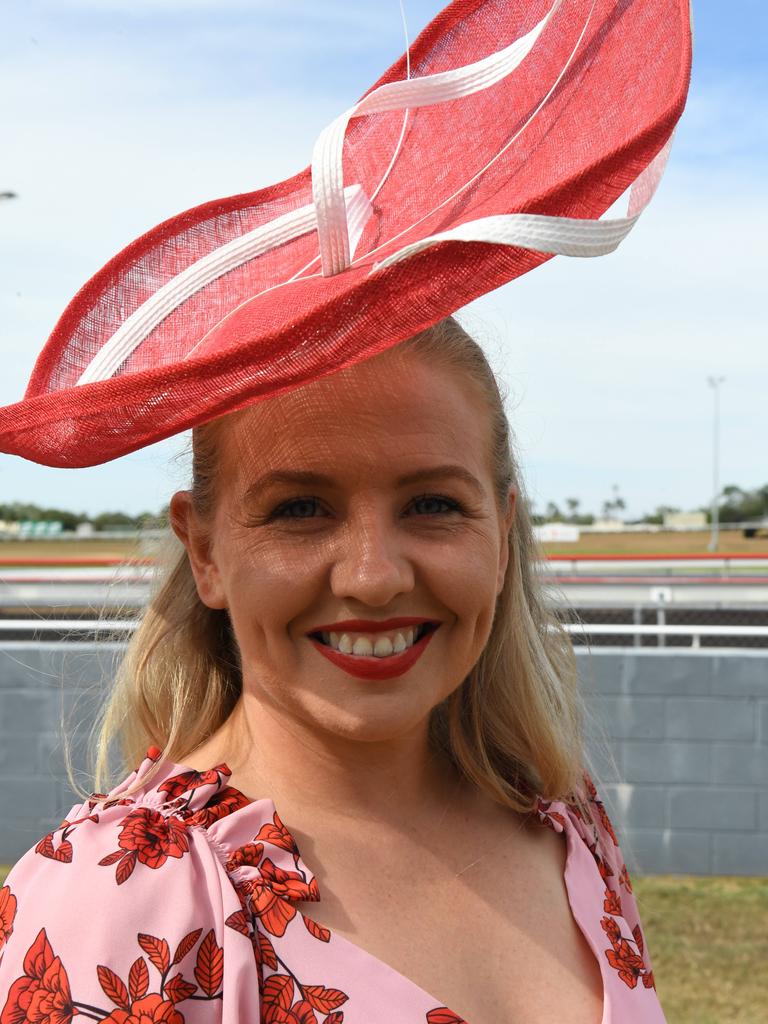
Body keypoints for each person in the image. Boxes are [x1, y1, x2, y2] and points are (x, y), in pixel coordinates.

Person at [0, 2, 692, 1021]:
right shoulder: (117, 898)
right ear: (206, 552)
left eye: (431, 504)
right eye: (300, 509)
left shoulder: (568, 829)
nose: (373, 572)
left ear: (502, 533)